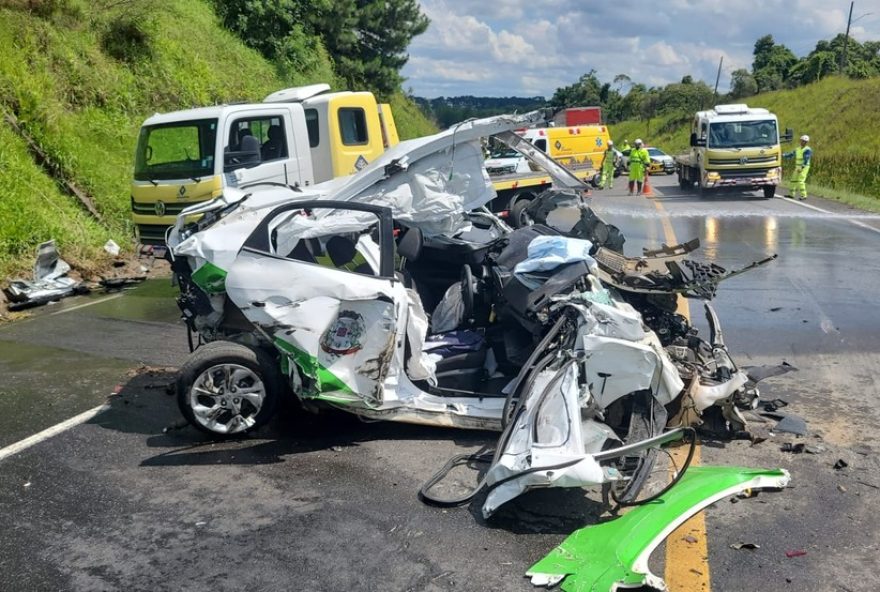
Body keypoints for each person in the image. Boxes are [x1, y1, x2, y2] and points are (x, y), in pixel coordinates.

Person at [783, 134, 812, 200]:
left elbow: (806, 159)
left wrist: (802, 167)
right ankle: (791, 195)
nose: (803, 142)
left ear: (807, 142)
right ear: (800, 141)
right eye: (802, 141)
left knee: (800, 181)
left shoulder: (807, 150)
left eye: (804, 141)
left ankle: (804, 195)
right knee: (793, 180)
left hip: (804, 167)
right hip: (797, 167)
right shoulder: (798, 149)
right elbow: (791, 155)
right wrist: (784, 155)